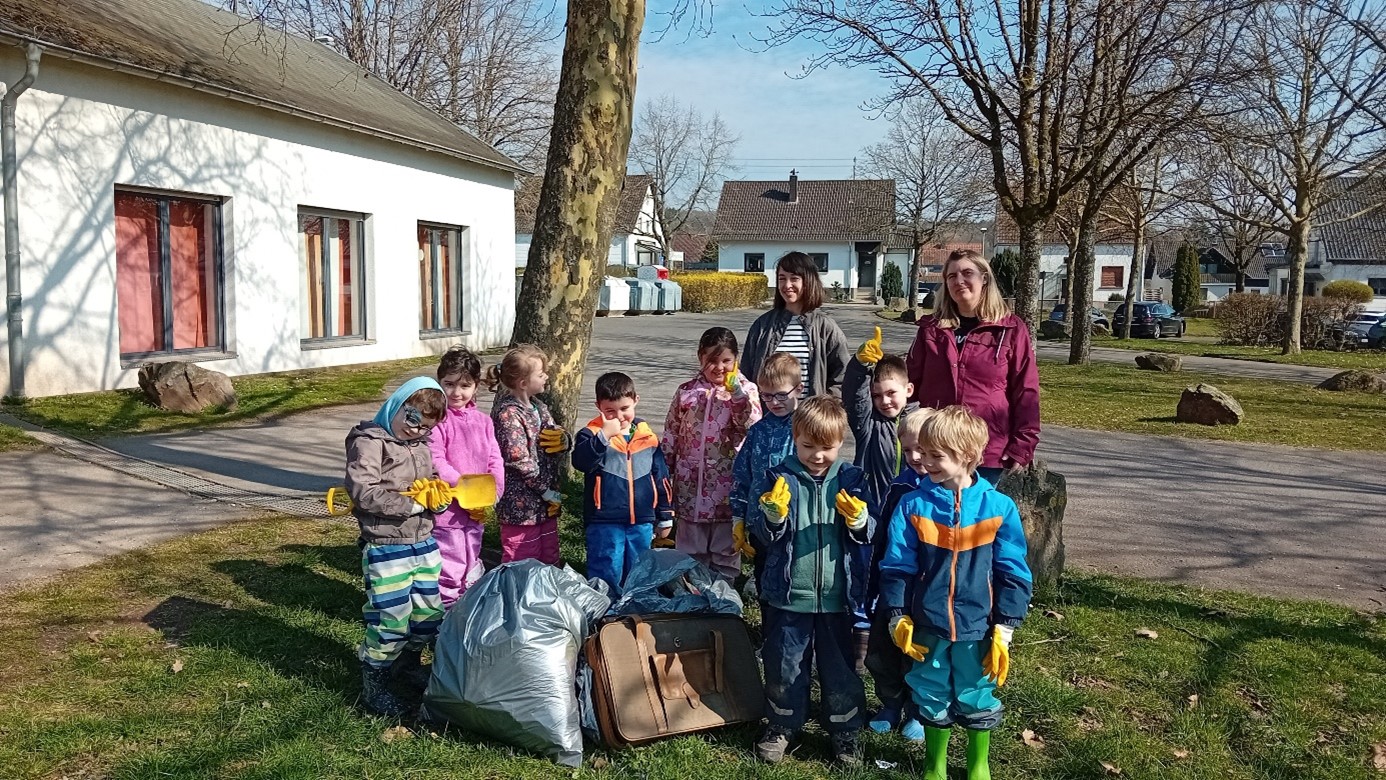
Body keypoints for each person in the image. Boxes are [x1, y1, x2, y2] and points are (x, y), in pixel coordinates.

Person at [878, 406, 1033, 780]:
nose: (924, 461)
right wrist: (898, 613)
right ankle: (935, 765)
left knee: (976, 690)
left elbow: (1013, 570)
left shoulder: (998, 507)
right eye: (923, 452)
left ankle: (979, 764)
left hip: (978, 625)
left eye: (936, 455)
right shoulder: (913, 505)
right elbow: (896, 564)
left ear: (966, 456)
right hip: (928, 622)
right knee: (929, 688)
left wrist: (1005, 627)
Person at [747, 395, 873, 767]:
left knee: (840, 667)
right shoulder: (778, 476)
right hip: (788, 595)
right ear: (795, 436)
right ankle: (782, 723)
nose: (817, 456)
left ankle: (845, 730)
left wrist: (860, 521)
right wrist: (772, 517)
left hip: (836, 596)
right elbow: (762, 536)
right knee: (784, 663)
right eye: (808, 447)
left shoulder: (852, 479)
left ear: (841, 443)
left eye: (827, 448)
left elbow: (870, 533)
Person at [344, 377, 450, 717]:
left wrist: (438, 498)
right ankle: (375, 679)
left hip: (423, 542)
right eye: (412, 419)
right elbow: (363, 491)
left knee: (428, 616)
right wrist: (414, 505)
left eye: (426, 427)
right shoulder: (370, 442)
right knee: (391, 618)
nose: (417, 431)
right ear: (397, 405)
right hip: (387, 545)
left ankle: (407, 663)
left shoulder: (421, 444)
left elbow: (431, 480)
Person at [905, 249, 1040, 484]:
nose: (959, 281)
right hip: (936, 450)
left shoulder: (1011, 329)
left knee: (977, 519)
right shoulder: (931, 330)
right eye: (951, 276)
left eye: (968, 273)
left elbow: (1026, 391)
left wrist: (1024, 443)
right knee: (933, 518)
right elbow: (909, 384)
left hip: (986, 450)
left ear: (984, 278)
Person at [843, 327, 919, 671]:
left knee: (899, 577)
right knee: (863, 574)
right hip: (871, 518)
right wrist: (859, 367)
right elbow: (853, 398)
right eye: (878, 396)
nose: (884, 401)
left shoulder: (922, 424)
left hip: (910, 523)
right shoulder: (869, 426)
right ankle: (860, 644)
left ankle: (897, 630)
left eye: (891, 393)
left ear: (908, 390)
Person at [663, 327, 762, 581]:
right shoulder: (687, 391)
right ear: (700, 357)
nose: (719, 367)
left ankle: (723, 596)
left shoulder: (746, 389)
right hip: (690, 487)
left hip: (726, 489)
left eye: (726, 361)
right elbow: (672, 432)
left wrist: (738, 397)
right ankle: (692, 592)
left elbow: (752, 426)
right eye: (712, 360)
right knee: (689, 549)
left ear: (736, 359)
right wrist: (665, 468)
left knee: (724, 548)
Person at [863, 407, 935, 743]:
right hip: (892, 585)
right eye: (907, 450)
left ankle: (918, 711)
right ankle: (889, 704)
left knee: (920, 653)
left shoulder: (944, 491)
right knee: (884, 652)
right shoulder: (899, 485)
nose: (915, 457)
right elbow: (882, 540)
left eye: (922, 448)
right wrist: (873, 585)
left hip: (926, 590)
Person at [572, 371, 676, 594]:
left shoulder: (648, 437)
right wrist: (603, 438)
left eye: (624, 409)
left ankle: (637, 613)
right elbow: (581, 462)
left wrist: (665, 515)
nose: (619, 416)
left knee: (640, 570)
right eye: (610, 411)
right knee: (606, 569)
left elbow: (661, 477)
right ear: (598, 406)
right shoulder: (591, 434)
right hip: (604, 521)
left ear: (635, 401)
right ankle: (605, 616)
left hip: (642, 520)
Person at [428, 347, 505, 607]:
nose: (456, 392)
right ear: (439, 383)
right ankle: (446, 616)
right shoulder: (437, 421)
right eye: (448, 384)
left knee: (471, 561)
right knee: (450, 565)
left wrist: (492, 493)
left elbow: (495, 459)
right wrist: (464, 488)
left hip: (476, 511)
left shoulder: (484, 421)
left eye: (464, 385)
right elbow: (436, 459)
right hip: (448, 511)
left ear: (476, 386)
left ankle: (468, 609)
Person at [729, 352, 802, 597]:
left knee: (793, 578)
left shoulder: (804, 427)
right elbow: (742, 476)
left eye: (781, 394)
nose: (774, 402)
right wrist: (738, 519)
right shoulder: (758, 431)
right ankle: (768, 624)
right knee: (765, 579)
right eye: (767, 395)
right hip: (761, 523)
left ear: (798, 389)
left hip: (797, 522)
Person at [488, 344, 569, 565]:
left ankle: (545, 597)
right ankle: (518, 599)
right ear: (523, 383)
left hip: (544, 505)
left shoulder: (539, 406)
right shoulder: (508, 414)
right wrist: (545, 490)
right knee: (522, 560)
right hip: (520, 505)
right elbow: (518, 458)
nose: (546, 377)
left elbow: (554, 432)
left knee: (549, 555)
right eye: (541, 374)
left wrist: (564, 440)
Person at [741, 251, 851, 398]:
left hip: (811, 418)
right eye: (782, 279)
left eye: (794, 279)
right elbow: (747, 376)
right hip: (769, 417)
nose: (787, 285)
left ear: (808, 281)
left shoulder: (826, 328)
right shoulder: (762, 326)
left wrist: (824, 409)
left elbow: (842, 377)